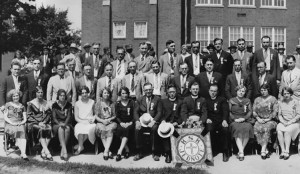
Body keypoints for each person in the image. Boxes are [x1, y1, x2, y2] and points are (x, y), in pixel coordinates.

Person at [133, 82, 162, 161]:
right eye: (146, 90)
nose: (148, 91)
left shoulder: (157, 99)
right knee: (137, 129)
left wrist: (154, 121)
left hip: (153, 121)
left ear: (152, 89)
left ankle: (154, 152)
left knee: (154, 129)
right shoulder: (140, 99)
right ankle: (140, 152)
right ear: (143, 91)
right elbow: (135, 112)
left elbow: (159, 112)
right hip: (143, 121)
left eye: (150, 89)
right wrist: (137, 121)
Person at [253, 84, 278, 160]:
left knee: (266, 128)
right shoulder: (257, 99)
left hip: (270, 120)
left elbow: (275, 111)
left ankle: (263, 150)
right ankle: (266, 148)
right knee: (256, 127)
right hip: (260, 119)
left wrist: (268, 119)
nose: (263, 92)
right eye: (261, 90)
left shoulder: (273, 99)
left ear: (268, 90)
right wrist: (258, 118)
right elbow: (254, 111)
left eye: (265, 90)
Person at [160, 84, 185, 163]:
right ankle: (168, 153)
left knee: (176, 132)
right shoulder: (163, 101)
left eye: (173, 92)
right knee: (165, 132)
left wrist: (177, 122)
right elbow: (160, 113)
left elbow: (182, 114)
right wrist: (163, 120)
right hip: (166, 123)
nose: (172, 94)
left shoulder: (180, 102)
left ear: (176, 92)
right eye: (170, 92)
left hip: (175, 124)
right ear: (167, 92)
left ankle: (177, 153)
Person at [27, 86, 52, 161]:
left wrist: (44, 122)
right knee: (41, 129)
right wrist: (38, 123)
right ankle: (47, 152)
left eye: (41, 92)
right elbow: (28, 117)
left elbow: (48, 115)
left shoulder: (46, 102)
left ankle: (43, 151)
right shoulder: (31, 103)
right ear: (35, 93)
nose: (40, 94)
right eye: (38, 92)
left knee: (49, 128)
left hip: (44, 122)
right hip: (33, 123)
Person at [1, 89, 28, 160]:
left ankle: (23, 153)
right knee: (17, 131)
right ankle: (23, 153)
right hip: (10, 123)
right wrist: (12, 123)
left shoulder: (22, 106)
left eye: (17, 96)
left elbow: (25, 118)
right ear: (11, 97)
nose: (16, 97)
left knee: (22, 132)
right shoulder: (8, 105)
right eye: (14, 96)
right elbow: (5, 117)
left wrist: (21, 122)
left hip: (19, 123)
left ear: (19, 96)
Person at [229, 85, 253, 161]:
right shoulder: (231, 100)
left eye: (243, 91)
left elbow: (250, 111)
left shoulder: (247, 100)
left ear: (245, 92)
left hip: (245, 119)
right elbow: (229, 112)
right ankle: (242, 151)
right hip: (235, 120)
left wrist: (244, 118)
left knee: (248, 127)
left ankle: (241, 151)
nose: (241, 93)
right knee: (237, 128)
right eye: (239, 91)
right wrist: (234, 119)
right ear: (236, 91)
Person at [206, 85, 230, 162]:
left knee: (225, 129)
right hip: (211, 121)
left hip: (220, 121)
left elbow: (225, 111)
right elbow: (204, 111)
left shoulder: (222, 99)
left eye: (215, 91)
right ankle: (211, 151)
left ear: (217, 92)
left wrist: (224, 120)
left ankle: (225, 151)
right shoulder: (205, 100)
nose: (213, 93)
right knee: (209, 129)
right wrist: (207, 118)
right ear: (209, 91)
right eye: (211, 91)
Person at [277, 87, 300, 160]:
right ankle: (282, 150)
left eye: (288, 93)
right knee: (279, 130)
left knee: (287, 131)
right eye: (284, 94)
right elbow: (279, 115)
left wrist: (290, 122)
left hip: (294, 122)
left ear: (291, 94)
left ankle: (287, 150)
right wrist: (283, 122)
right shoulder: (281, 102)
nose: (286, 95)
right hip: (284, 122)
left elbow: (298, 115)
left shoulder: (296, 102)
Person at [95, 87, 117, 160]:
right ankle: (108, 151)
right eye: (105, 93)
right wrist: (102, 121)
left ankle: (106, 151)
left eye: (108, 93)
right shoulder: (98, 103)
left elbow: (114, 115)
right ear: (102, 94)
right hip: (101, 121)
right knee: (102, 129)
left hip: (110, 122)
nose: (106, 94)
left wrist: (109, 119)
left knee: (110, 129)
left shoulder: (112, 103)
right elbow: (96, 116)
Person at [74, 86, 96, 155]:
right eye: (82, 93)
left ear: (88, 93)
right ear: (80, 94)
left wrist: (93, 119)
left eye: (86, 92)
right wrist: (83, 122)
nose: (84, 94)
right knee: (79, 128)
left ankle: (80, 146)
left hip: (90, 122)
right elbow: (76, 117)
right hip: (81, 121)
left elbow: (96, 114)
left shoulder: (92, 102)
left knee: (88, 129)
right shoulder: (77, 103)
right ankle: (81, 146)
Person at [52, 89, 73, 161]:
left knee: (67, 129)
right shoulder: (54, 105)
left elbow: (69, 116)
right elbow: (54, 118)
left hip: (67, 123)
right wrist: (59, 124)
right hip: (57, 124)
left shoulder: (69, 105)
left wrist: (65, 123)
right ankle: (65, 150)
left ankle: (62, 151)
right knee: (61, 129)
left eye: (64, 95)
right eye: (61, 95)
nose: (62, 97)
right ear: (58, 96)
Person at [114, 87, 134, 161]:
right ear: (120, 94)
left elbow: (135, 114)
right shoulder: (118, 103)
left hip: (130, 123)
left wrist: (130, 122)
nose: (124, 95)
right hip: (121, 122)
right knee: (120, 129)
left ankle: (119, 152)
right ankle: (127, 149)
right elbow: (117, 116)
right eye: (122, 93)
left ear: (128, 94)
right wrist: (121, 123)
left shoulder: (132, 102)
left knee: (126, 129)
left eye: (126, 93)